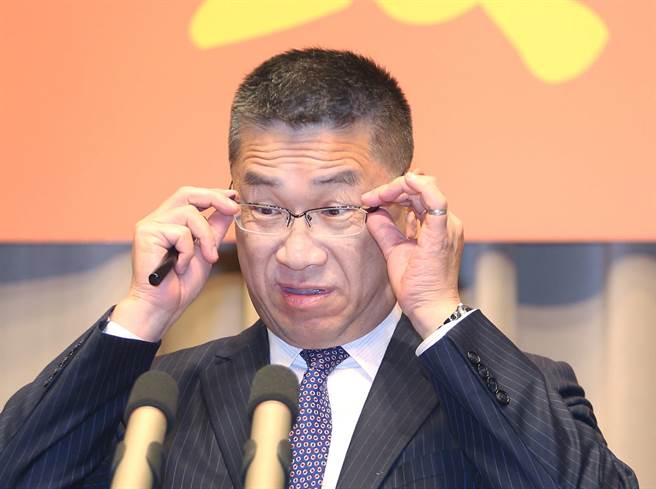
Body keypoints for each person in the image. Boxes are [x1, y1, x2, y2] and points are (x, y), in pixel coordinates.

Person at [0, 48, 638, 489]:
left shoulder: (505, 391)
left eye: (334, 209)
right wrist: (141, 313)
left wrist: (438, 312)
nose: (296, 253)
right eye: (266, 208)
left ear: (403, 209)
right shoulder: (159, 396)